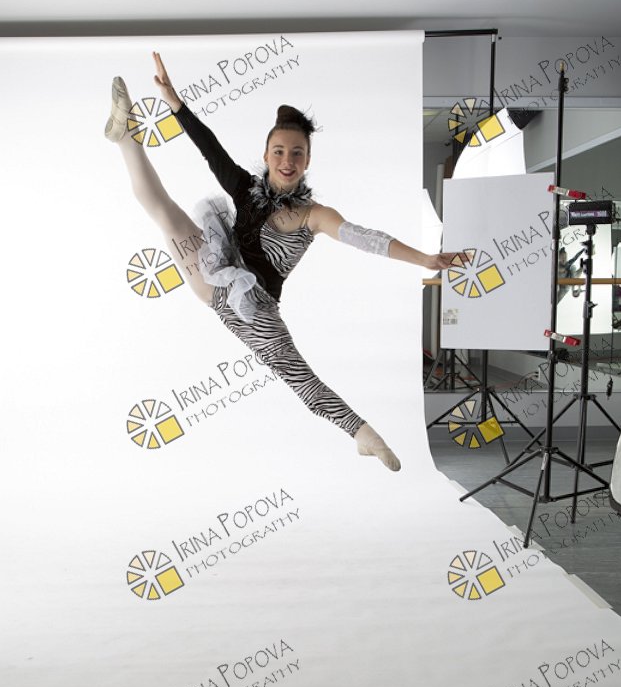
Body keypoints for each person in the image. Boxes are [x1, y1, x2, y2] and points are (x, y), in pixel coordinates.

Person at [105, 52, 460, 470]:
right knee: (163, 209)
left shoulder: (314, 215)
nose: (286, 161)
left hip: (253, 309)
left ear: (307, 160)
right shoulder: (244, 188)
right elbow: (209, 147)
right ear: (267, 154)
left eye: (296, 153)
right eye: (278, 152)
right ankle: (124, 134)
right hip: (215, 270)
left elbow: (367, 239)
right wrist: (174, 101)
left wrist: (425, 259)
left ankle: (365, 436)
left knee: (297, 375)